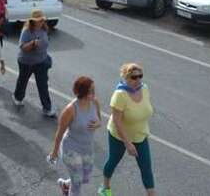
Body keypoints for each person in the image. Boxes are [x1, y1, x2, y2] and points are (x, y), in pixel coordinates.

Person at [100, 63, 155, 196]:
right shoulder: (120, 95)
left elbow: (145, 109)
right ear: (126, 77)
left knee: (146, 168)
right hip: (119, 136)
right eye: (134, 77)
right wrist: (127, 143)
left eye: (140, 76)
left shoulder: (145, 89)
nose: (138, 80)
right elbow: (117, 122)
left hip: (140, 135)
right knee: (113, 161)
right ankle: (105, 186)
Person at [49, 76, 102, 196]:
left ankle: (65, 185)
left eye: (94, 90)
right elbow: (60, 132)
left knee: (84, 177)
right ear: (82, 92)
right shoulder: (70, 110)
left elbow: (99, 120)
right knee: (77, 183)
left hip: (87, 148)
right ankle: (71, 189)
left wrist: (98, 123)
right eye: (91, 91)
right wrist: (54, 152)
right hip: (71, 149)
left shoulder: (94, 102)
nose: (94, 93)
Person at [12, 9, 56, 117]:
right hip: (26, 62)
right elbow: (22, 47)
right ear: (33, 21)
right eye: (39, 20)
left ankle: (47, 108)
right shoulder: (26, 31)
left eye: (42, 20)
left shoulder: (44, 29)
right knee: (23, 80)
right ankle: (18, 97)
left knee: (43, 85)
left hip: (41, 61)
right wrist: (32, 44)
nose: (41, 22)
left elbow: (46, 43)